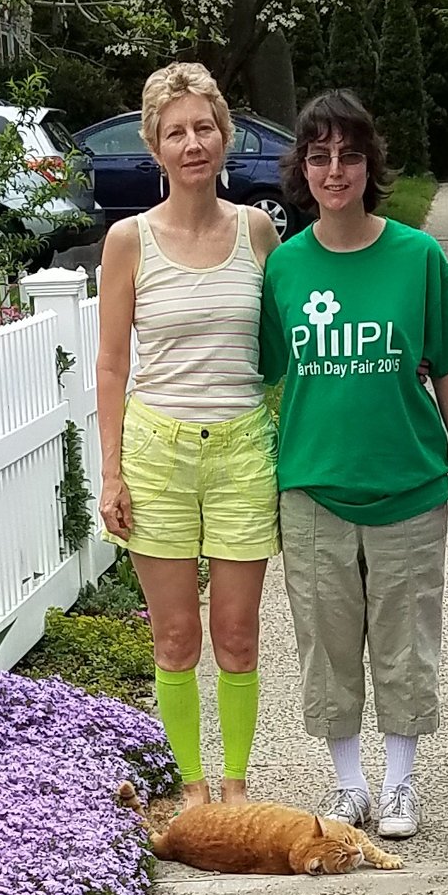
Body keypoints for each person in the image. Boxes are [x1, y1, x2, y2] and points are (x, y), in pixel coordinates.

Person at [257, 86, 448, 843]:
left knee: (404, 638)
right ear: (304, 169)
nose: (334, 170)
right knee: (326, 639)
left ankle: (399, 785)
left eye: (349, 155)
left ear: (369, 164)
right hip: (313, 486)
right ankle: (348, 785)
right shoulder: (284, 269)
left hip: (409, 483)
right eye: (319, 157)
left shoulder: (417, 257)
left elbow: (447, 363)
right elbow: (257, 368)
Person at [95, 60, 280, 805]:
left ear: (225, 136)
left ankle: (235, 783)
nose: (193, 143)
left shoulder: (257, 232)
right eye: (177, 132)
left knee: (236, 635)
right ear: (155, 145)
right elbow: (110, 364)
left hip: (242, 449)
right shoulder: (127, 241)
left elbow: (285, 349)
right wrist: (111, 471)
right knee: (175, 639)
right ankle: (192, 784)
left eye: (205, 127)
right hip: (156, 452)